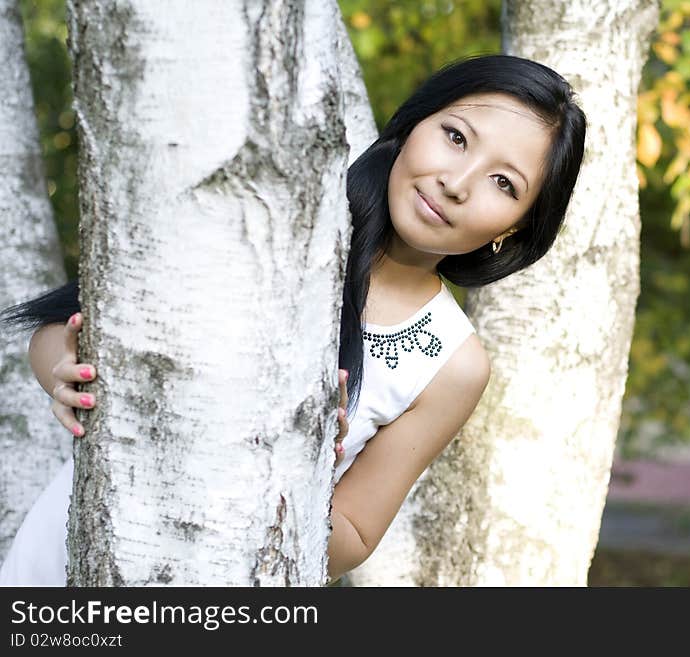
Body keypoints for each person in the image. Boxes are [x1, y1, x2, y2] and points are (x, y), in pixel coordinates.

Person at [0, 53, 587, 586]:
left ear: (516, 226)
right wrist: (62, 370)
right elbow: (60, 330)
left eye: (503, 182)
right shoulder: (272, 220)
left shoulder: (452, 362)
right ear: (414, 124)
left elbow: (354, 534)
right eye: (455, 137)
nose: (456, 184)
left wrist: (296, 465)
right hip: (63, 561)